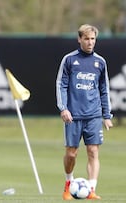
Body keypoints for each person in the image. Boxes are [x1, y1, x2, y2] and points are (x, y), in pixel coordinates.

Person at [56, 24, 113, 200]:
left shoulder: (100, 62)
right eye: (87, 39)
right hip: (73, 116)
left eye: (93, 39)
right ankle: (68, 183)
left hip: (94, 115)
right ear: (79, 39)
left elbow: (104, 89)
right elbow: (61, 85)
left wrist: (107, 115)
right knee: (71, 153)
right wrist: (63, 108)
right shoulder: (69, 60)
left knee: (93, 151)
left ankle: (91, 189)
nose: (90, 42)